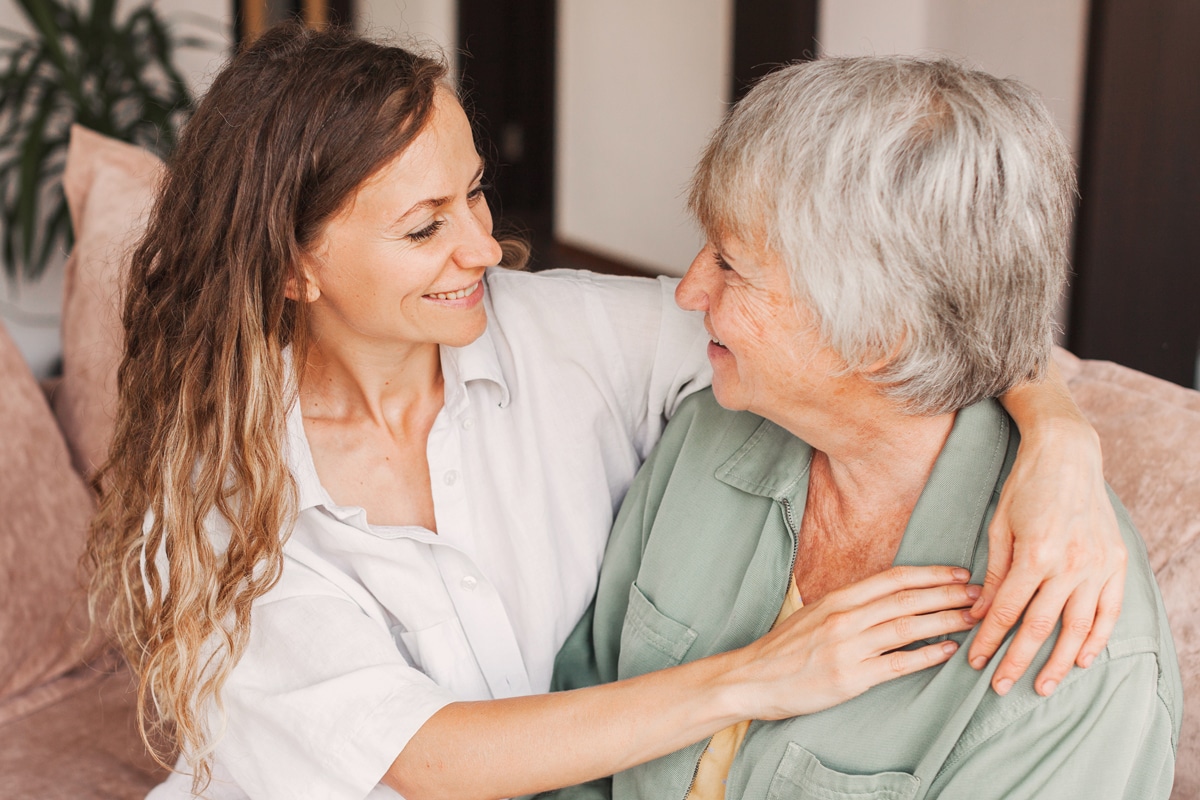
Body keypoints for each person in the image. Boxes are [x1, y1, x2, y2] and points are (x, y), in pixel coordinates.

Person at [85, 26, 1126, 800]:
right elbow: (425, 754)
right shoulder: (214, 486)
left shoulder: (564, 337)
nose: (485, 247)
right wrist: (754, 677)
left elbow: (897, 325)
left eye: (478, 194)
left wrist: (1059, 437)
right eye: (424, 227)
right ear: (295, 263)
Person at [545, 56, 1181, 800]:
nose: (688, 291)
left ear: (880, 334)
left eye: (730, 264)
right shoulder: (710, 430)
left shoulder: (1066, 640)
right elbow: (581, 736)